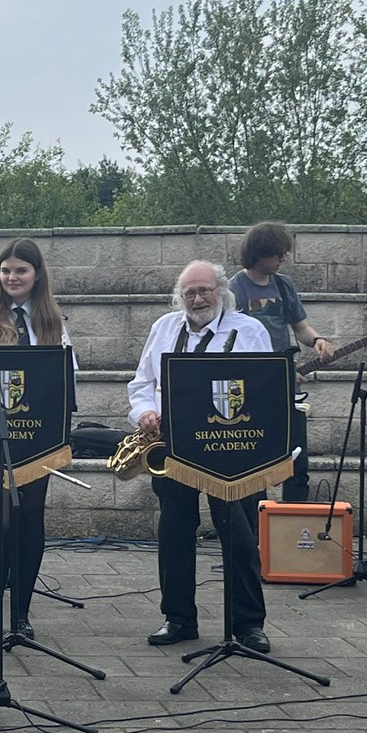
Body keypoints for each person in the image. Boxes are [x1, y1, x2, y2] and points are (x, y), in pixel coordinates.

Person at [129, 261, 274, 653]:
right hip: (172, 445)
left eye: (205, 290)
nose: (197, 299)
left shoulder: (250, 331)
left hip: (230, 447)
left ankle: (248, 625)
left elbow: (265, 390)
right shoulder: (163, 327)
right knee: (174, 531)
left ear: (222, 291)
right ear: (180, 295)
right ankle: (178, 619)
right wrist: (143, 411)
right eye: (190, 292)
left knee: (239, 535)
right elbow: (141, 383)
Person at [0, 238, 71, 642]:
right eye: (6, 270)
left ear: (36, 274)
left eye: (20, 270)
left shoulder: (52, 319)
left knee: (30, 519)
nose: (12, 277)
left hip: (37, 435)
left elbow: (66, 374)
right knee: (0, 521)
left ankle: (20, 612)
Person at [230, 222, 334, 502]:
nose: (283, 259)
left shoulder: (284, 285)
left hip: (286, 383)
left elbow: (300, 328)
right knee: (254, 462)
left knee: (297, 461)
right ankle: (257, 526)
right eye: (278, 254)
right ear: (259, 253)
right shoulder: (234, 288)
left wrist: (318, 340)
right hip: (250, 385)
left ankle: (292, 524)